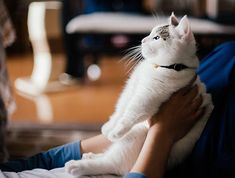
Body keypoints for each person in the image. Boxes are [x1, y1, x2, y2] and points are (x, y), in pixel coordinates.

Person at [0, 41, 235, 178]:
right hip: (157, 163)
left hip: (142, 145)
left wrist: (133, 129)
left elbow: (42, 160)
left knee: (226, 54)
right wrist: (163, 131)